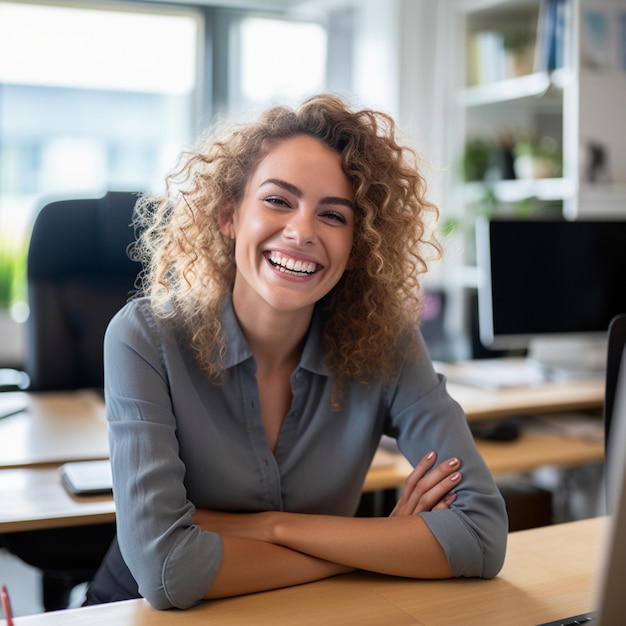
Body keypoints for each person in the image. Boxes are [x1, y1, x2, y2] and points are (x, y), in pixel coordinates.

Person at [84, 93, 508, 610]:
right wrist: (378, 545)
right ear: (228, 215)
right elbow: (169, 572)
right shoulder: (145, 339)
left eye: (334, 216)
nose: (303, 231)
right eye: (278, 200)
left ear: (358, 245)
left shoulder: (387, 343)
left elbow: (482, 537)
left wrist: (270, 528)